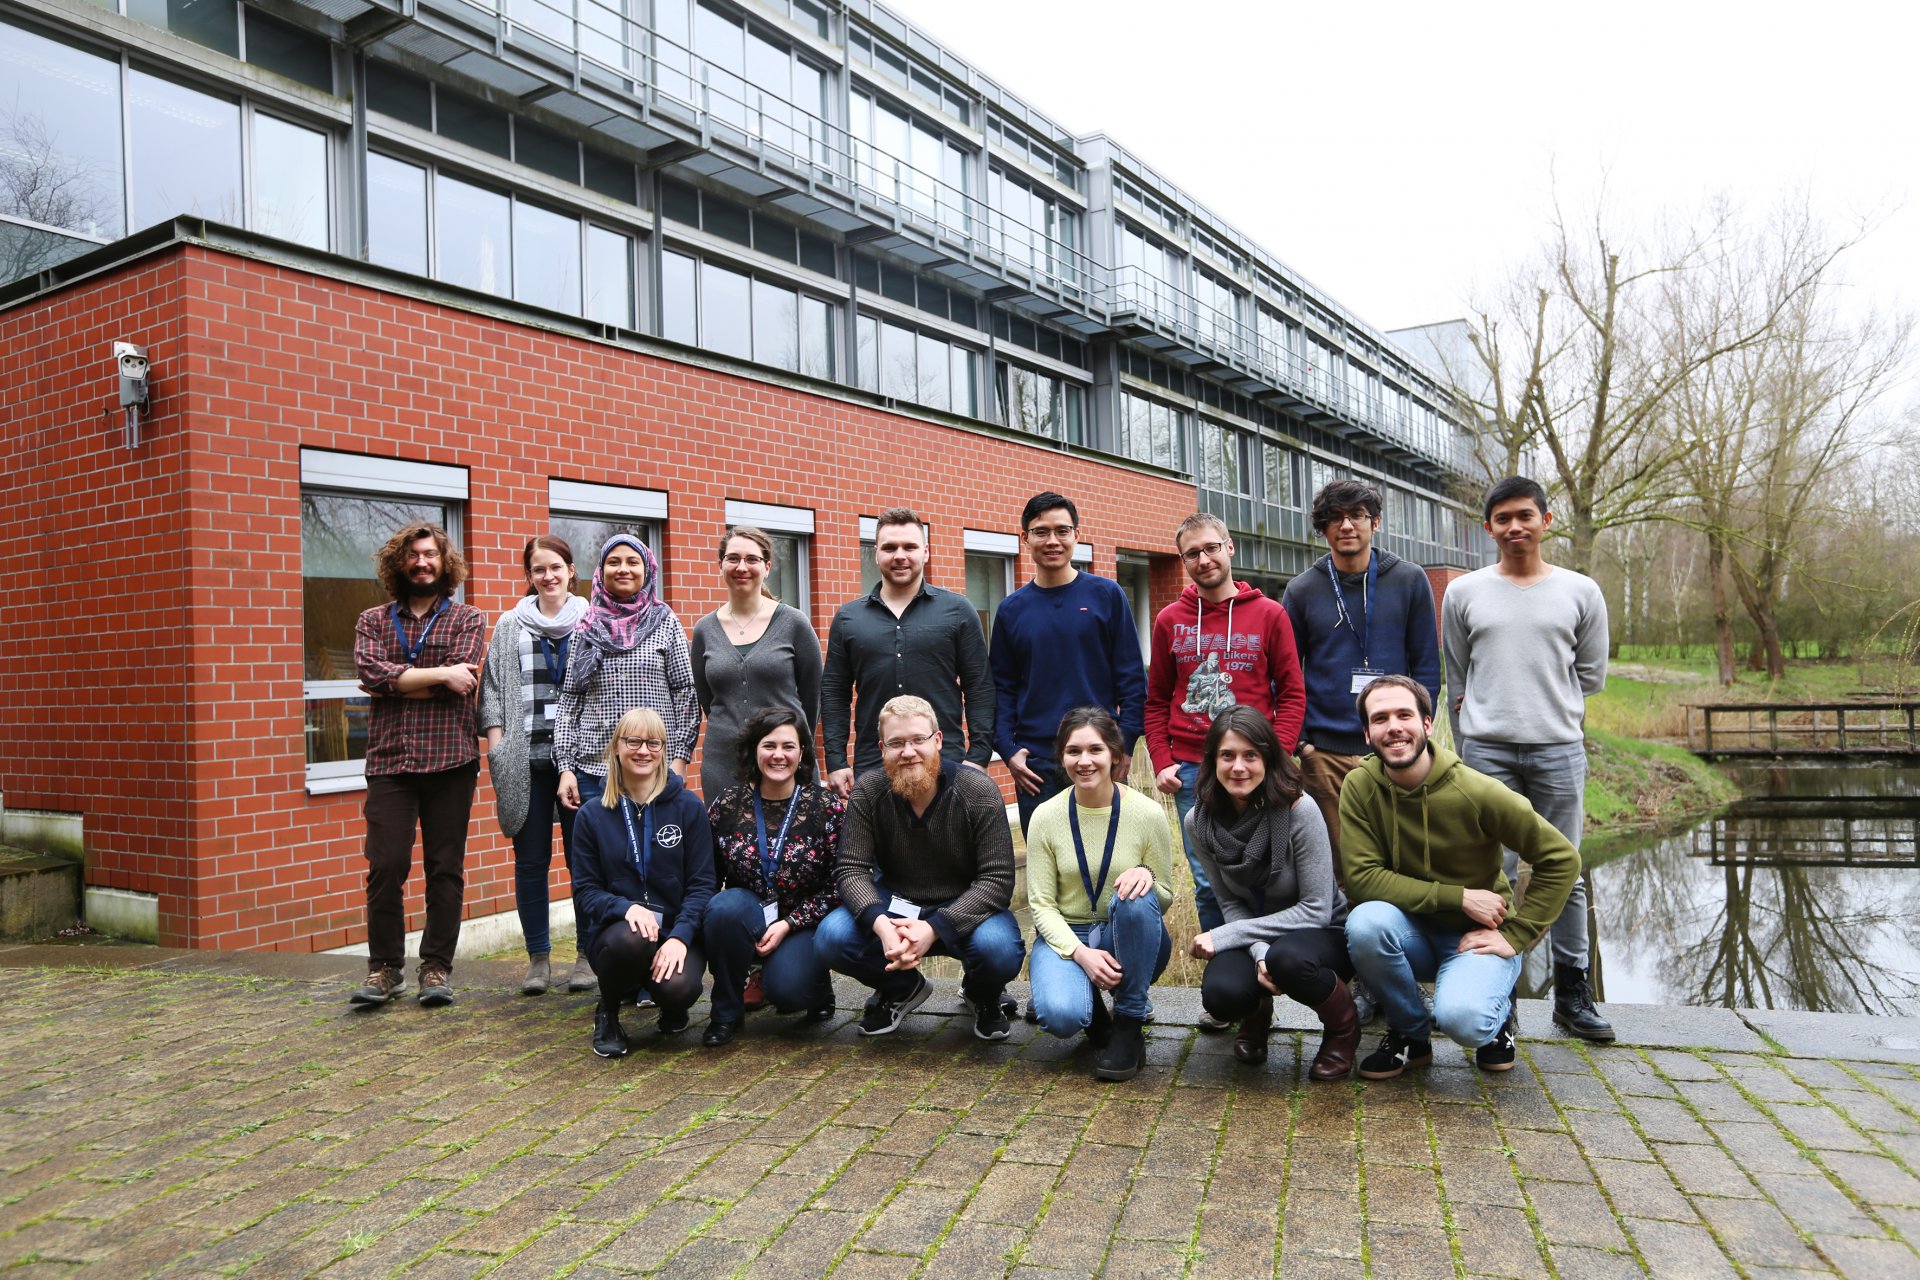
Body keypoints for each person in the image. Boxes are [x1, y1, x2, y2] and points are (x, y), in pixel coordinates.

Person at [1441, 476, 1613, 1043]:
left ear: (1545, 520)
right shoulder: (1464, 592)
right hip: (1487, 749)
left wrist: (1549, 707)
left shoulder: (1581, 591)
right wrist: (1469, 740)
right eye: (1502, 518)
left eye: (1525, 516)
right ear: (1488, 527)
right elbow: (1458, 673)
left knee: (1567, 868)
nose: (1514, 527)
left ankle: (1573, 994)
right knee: (1493, 871)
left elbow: (1590, 674)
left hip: (1559, 749)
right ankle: (1499, 995)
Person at [1341, 675, 1581, 1078]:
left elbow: (1561, 858)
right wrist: (1458, 897)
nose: (1394, 726)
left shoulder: (1477, 790)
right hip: (1409, 932)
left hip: (1476, 939)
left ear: (1427, 724)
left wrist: (1517, 934)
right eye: (1380, 719)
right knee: (1364, 924)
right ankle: (1410, 1033)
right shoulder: (1360, 787)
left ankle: (1497, 1020)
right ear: (1367, 733)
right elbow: (1362, 879)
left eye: (1404, 714)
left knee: (1465, 1022)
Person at [1145, 513, 1306, 980]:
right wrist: (1161, 760)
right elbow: (1156, 699)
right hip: (1195, 769)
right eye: (1192, 553)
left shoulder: (1270, 614)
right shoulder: (1170, 620)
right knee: (1208, 881)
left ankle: (1270, 973)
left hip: (1257, 768)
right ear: (1183, 561)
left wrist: (1278, 757)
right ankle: (1228, 977)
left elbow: (1293, 693)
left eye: (1211, 547)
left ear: (1230, 548)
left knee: (1268, 876)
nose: (1203, 559)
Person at [814, 696, 1024, 1039]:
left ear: (937, 741)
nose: (908, 751)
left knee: (999, 949)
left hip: (964, 906)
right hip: (896, 904)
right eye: (896, 743)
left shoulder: (979, 791)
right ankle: (901, 986)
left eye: (918, 740)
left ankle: (982, 993)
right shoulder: (869, 791)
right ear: (882, 748)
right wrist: (881, 926)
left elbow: (997, 880)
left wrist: (935, 928)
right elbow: (851, 869)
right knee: (831, 938)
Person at [348, 522, 486, 1009]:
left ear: (444, 563)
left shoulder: (468, 618)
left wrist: (400, 682)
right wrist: (437, 676)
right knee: (386, 865)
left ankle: (435, 968)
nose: (422, 562)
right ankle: (385, 967)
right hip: (391, 762)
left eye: (430, 555)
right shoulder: (373, 620)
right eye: (413, 556)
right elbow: (370, 672)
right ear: (398, 564)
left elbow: (464, 679)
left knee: (444, 870)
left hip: (451, 761)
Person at [1185, 706, 1358, 1078]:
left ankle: (1343, 1029)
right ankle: (1257, 1014)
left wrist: (1228, 936)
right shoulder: (1199, 822)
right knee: (1222, 994)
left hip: (1321, 933)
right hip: (1261, 937)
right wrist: (1260, 953)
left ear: (1268, 758)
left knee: (1288, 960)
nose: (1239, 767)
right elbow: (1231, 902)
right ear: (1212, 760)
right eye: (1227, 756)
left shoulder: (1299, 809)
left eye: (1251, 755)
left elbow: (1315, 909)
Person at [1280, 478, 1441, 858]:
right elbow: (1285, 673)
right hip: (1325, 752)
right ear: (1323, 529)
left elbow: (1427, 666)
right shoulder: (1302, 589)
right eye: (1335, 518)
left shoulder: (1409, 580)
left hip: (1394, 743)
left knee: (1402, 854)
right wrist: (1303, 742)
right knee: (1339, 862)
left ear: (1376, 522)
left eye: (1357, 515)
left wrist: (1417, 730)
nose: (1347, 525)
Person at [1024, 707, 1172, 1081]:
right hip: (1068, 934)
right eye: (1074, 751)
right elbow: (1040, 904)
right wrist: (1081, 954)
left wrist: (1147, 876)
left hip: (1126, 931)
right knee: (1061, 1016)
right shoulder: (1045, 816)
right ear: (1061, 757)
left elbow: (1165, 895)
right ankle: (1093, 1013)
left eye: (1095, 750)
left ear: (1115, 757)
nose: (1084, 761)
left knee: (1136, 898)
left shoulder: (1148, 813)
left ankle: (1129, 1022)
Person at [991, 492, 1147, 836]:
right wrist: (1007, 748)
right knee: (1049, 868)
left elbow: (1133, 680)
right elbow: (1002, 687)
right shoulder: (1011, 610)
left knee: (1110, 862)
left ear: (1077, 535)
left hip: (1100, 754)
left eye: (1062, 531)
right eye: (1041, 531)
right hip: (1036, 764)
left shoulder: (1106, 596)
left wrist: (1125, 742)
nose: (1052, 541)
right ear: (1025, 538)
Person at [480, 534, 591, 996]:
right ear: (529, 576)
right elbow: (490, 691)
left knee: (584, 861)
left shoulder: (592, 621)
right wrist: (499, 745)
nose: (548, 576)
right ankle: (539, 959)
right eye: (538, 569)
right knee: (530, 861)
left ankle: (587, 956)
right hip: (525, 761)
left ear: (570, 571)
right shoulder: (510, 624)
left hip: (580, 759)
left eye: (556, 567)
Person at [570, 707, 717, 1058]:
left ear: (664, 750)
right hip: (619, 933)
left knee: (679, 989)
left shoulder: (688, 807)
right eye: (633, 741)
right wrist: (626, 907)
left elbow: (702, 884)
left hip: (676, 931)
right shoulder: (592, 815)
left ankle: (670, 1004)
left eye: (653, 742)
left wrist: (681, 937)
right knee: (632, 940)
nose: (643, 751)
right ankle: (608, 1011)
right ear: (617, 748)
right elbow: (586, 892)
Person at [821, 508, 992, 795]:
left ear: (925, 552)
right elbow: (834, 693)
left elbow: (980, 687)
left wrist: (978, 756)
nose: (900, 555)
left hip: (945, 762)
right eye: (889, 547)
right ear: (876, 554)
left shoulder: (958, 611)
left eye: (910, 547)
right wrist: (836, 761)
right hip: (874, 765)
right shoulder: (848, 618)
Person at [700, 707, 844, 1045]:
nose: (778, 755)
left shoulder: (826, 807)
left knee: (789, 994)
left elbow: (840, 884)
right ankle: (725, 1012)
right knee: (723, 909)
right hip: (747, 911)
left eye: (788, 746)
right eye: (769, 745)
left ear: (802, 753)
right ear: (754, 750)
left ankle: (817, 988)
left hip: (802, 920)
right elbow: (709, 877)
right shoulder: (729, 803)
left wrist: (788, 924)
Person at [689, 525, 823, 800]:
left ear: (767, 567)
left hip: (784, 761)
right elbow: (708, 700)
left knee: (795, 840)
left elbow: (812, 696)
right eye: (733, 558)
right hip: (723, 762)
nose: (742, 567)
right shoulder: (704, 629)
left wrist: (791, 740)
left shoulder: (794, 623)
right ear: (721, 565)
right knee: (728, 842)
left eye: (752, 559)